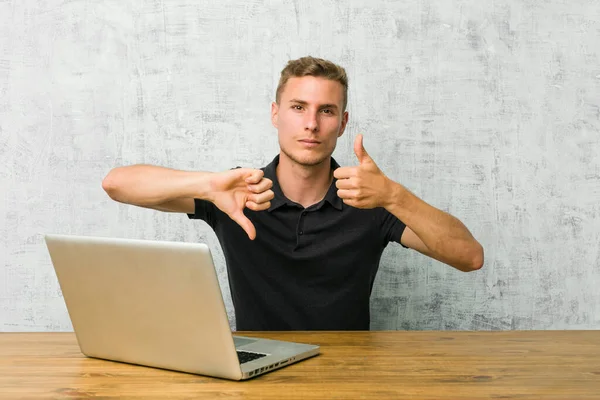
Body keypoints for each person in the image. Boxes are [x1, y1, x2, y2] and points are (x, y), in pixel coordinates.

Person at [102, 56, 484, 331]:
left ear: (343, 123)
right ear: (275, 114)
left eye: (327, 111)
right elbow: (116, 184)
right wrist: (207, 185)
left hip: (350, 377)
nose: (311, 124)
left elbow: (469, 257)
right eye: (298, 107)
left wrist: (395, 196)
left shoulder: (370, 199)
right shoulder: (237, 192)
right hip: (255, 376)